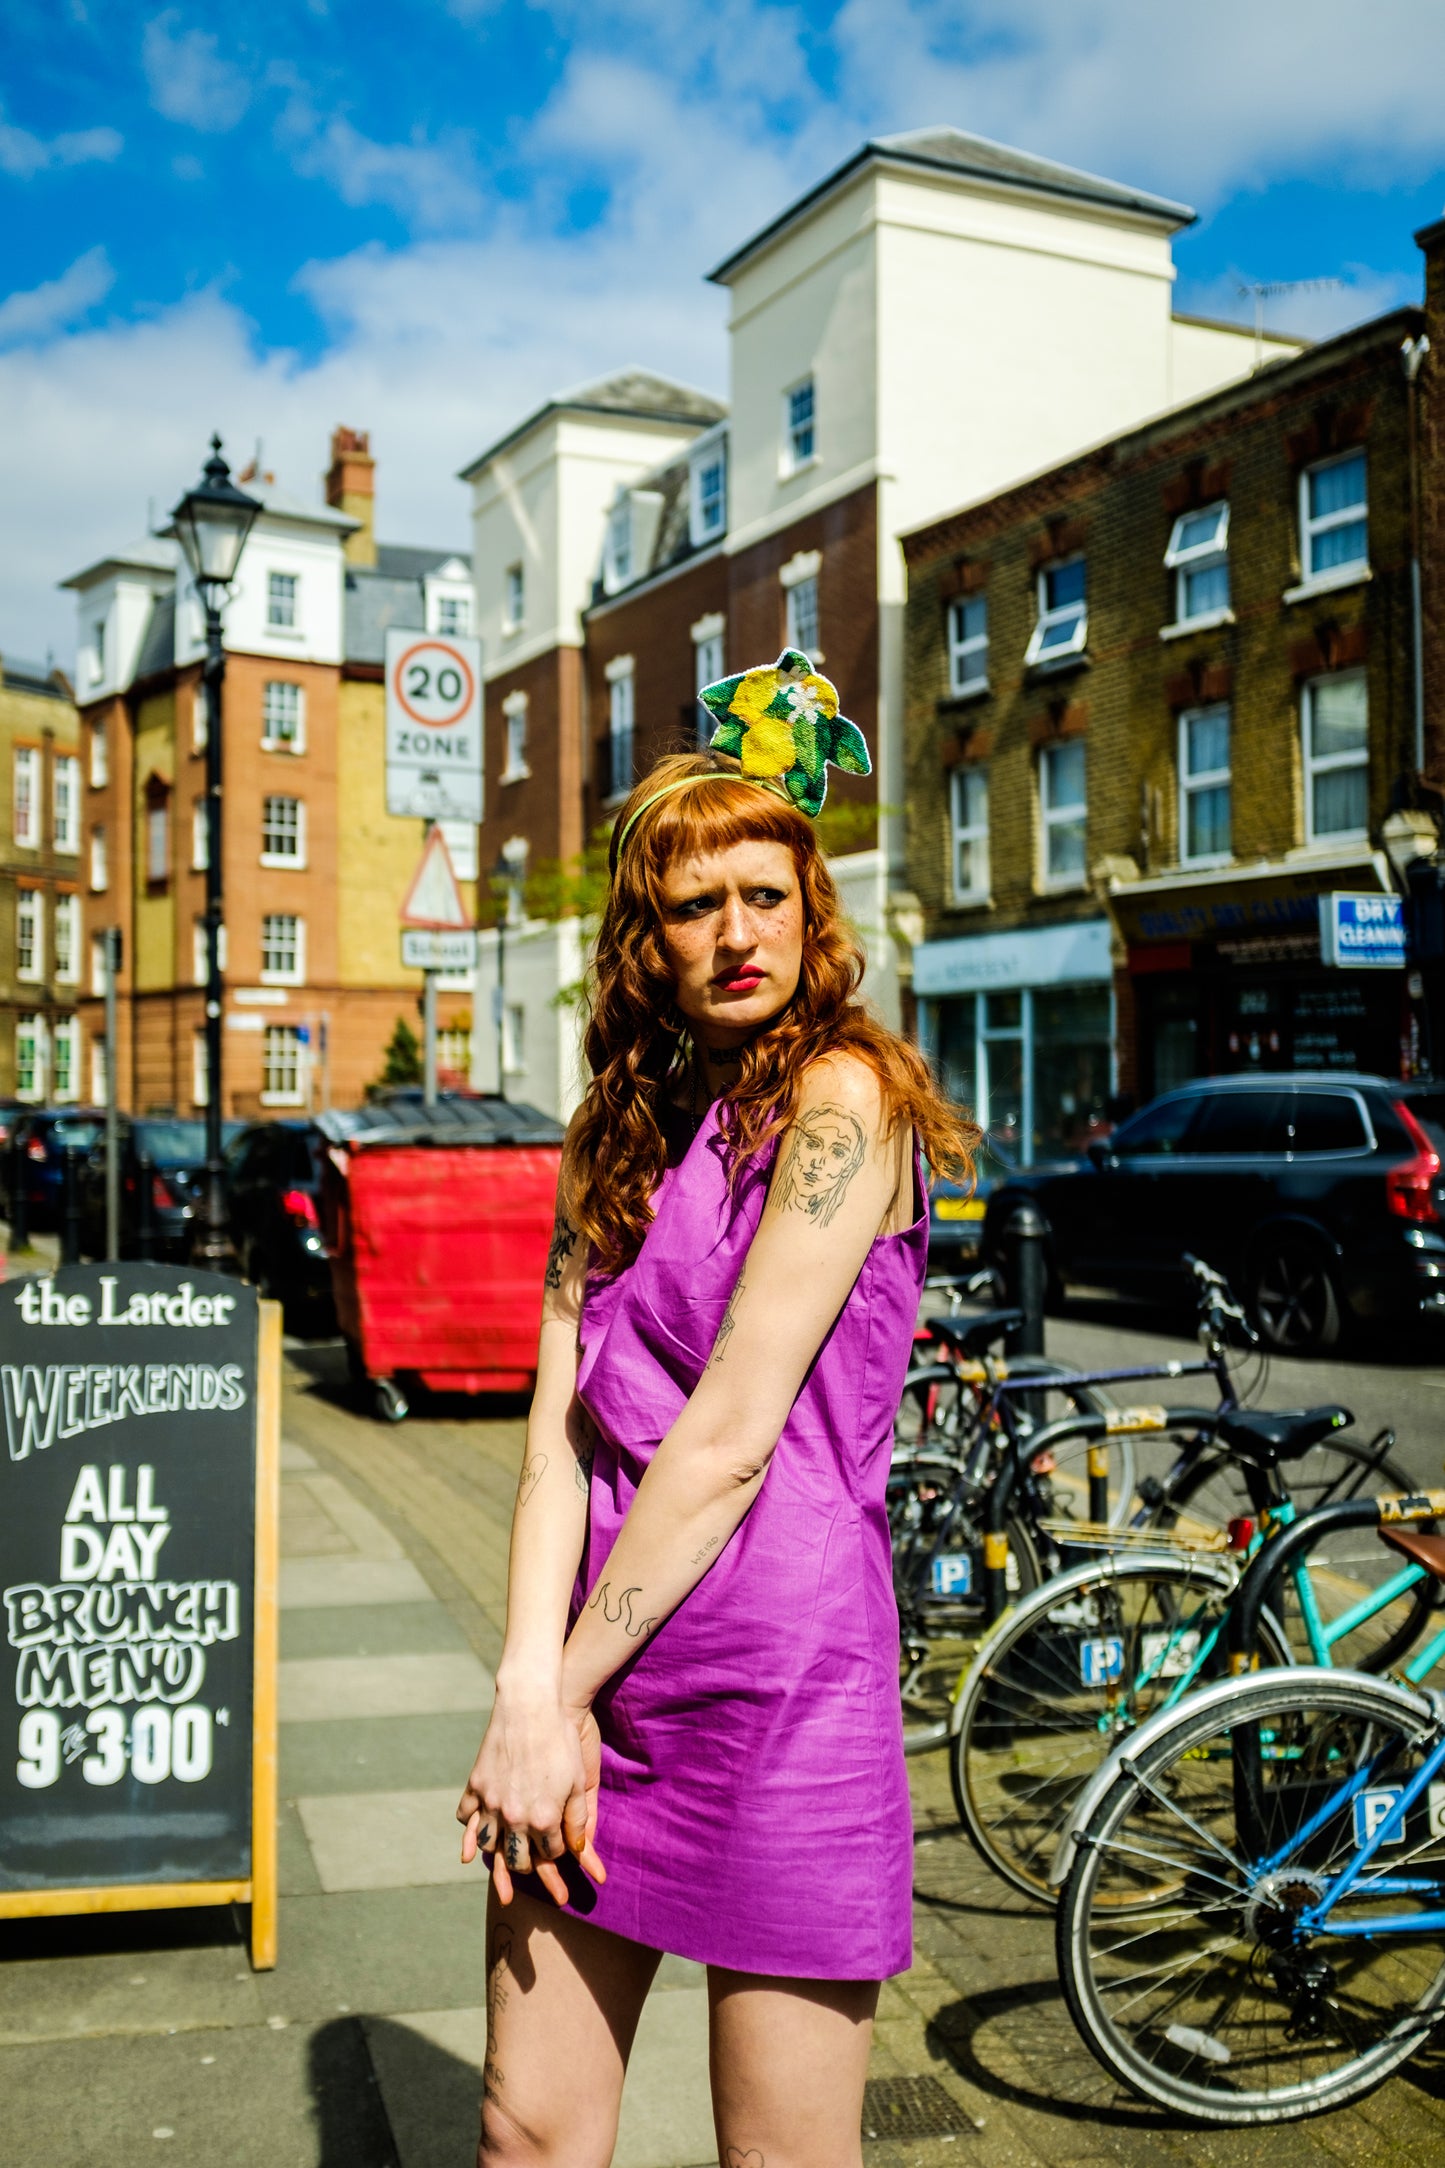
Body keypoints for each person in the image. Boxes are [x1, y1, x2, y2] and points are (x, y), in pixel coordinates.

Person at [456, 650, 977, 2168]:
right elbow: (557, 1442)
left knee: (778, 2160)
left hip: (780, 1696)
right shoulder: (610, 1135)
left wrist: (556, 1696)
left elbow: (732, 1436)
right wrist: (527, 1691)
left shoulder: (843, 1101)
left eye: (765, 893)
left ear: (813, 909)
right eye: (696, 905)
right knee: (524, 2132)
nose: (736, 932)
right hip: (593, 1692)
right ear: (649, 940)